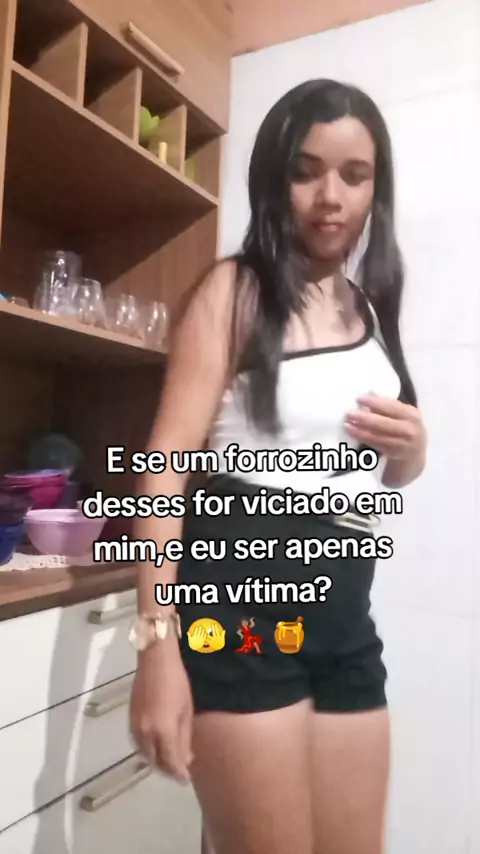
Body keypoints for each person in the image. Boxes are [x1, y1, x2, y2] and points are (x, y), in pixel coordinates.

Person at [129, 79, 427, 854]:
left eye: (354, 175)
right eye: (306, 171)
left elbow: (381, 475)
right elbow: (163, 468)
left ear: (376, 188)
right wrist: (157, 645)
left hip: (345, 612)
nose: (331, 197)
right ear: (274, 177)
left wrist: (413, 453)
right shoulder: (235, 292)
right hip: (242, 606)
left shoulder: (372, 306)